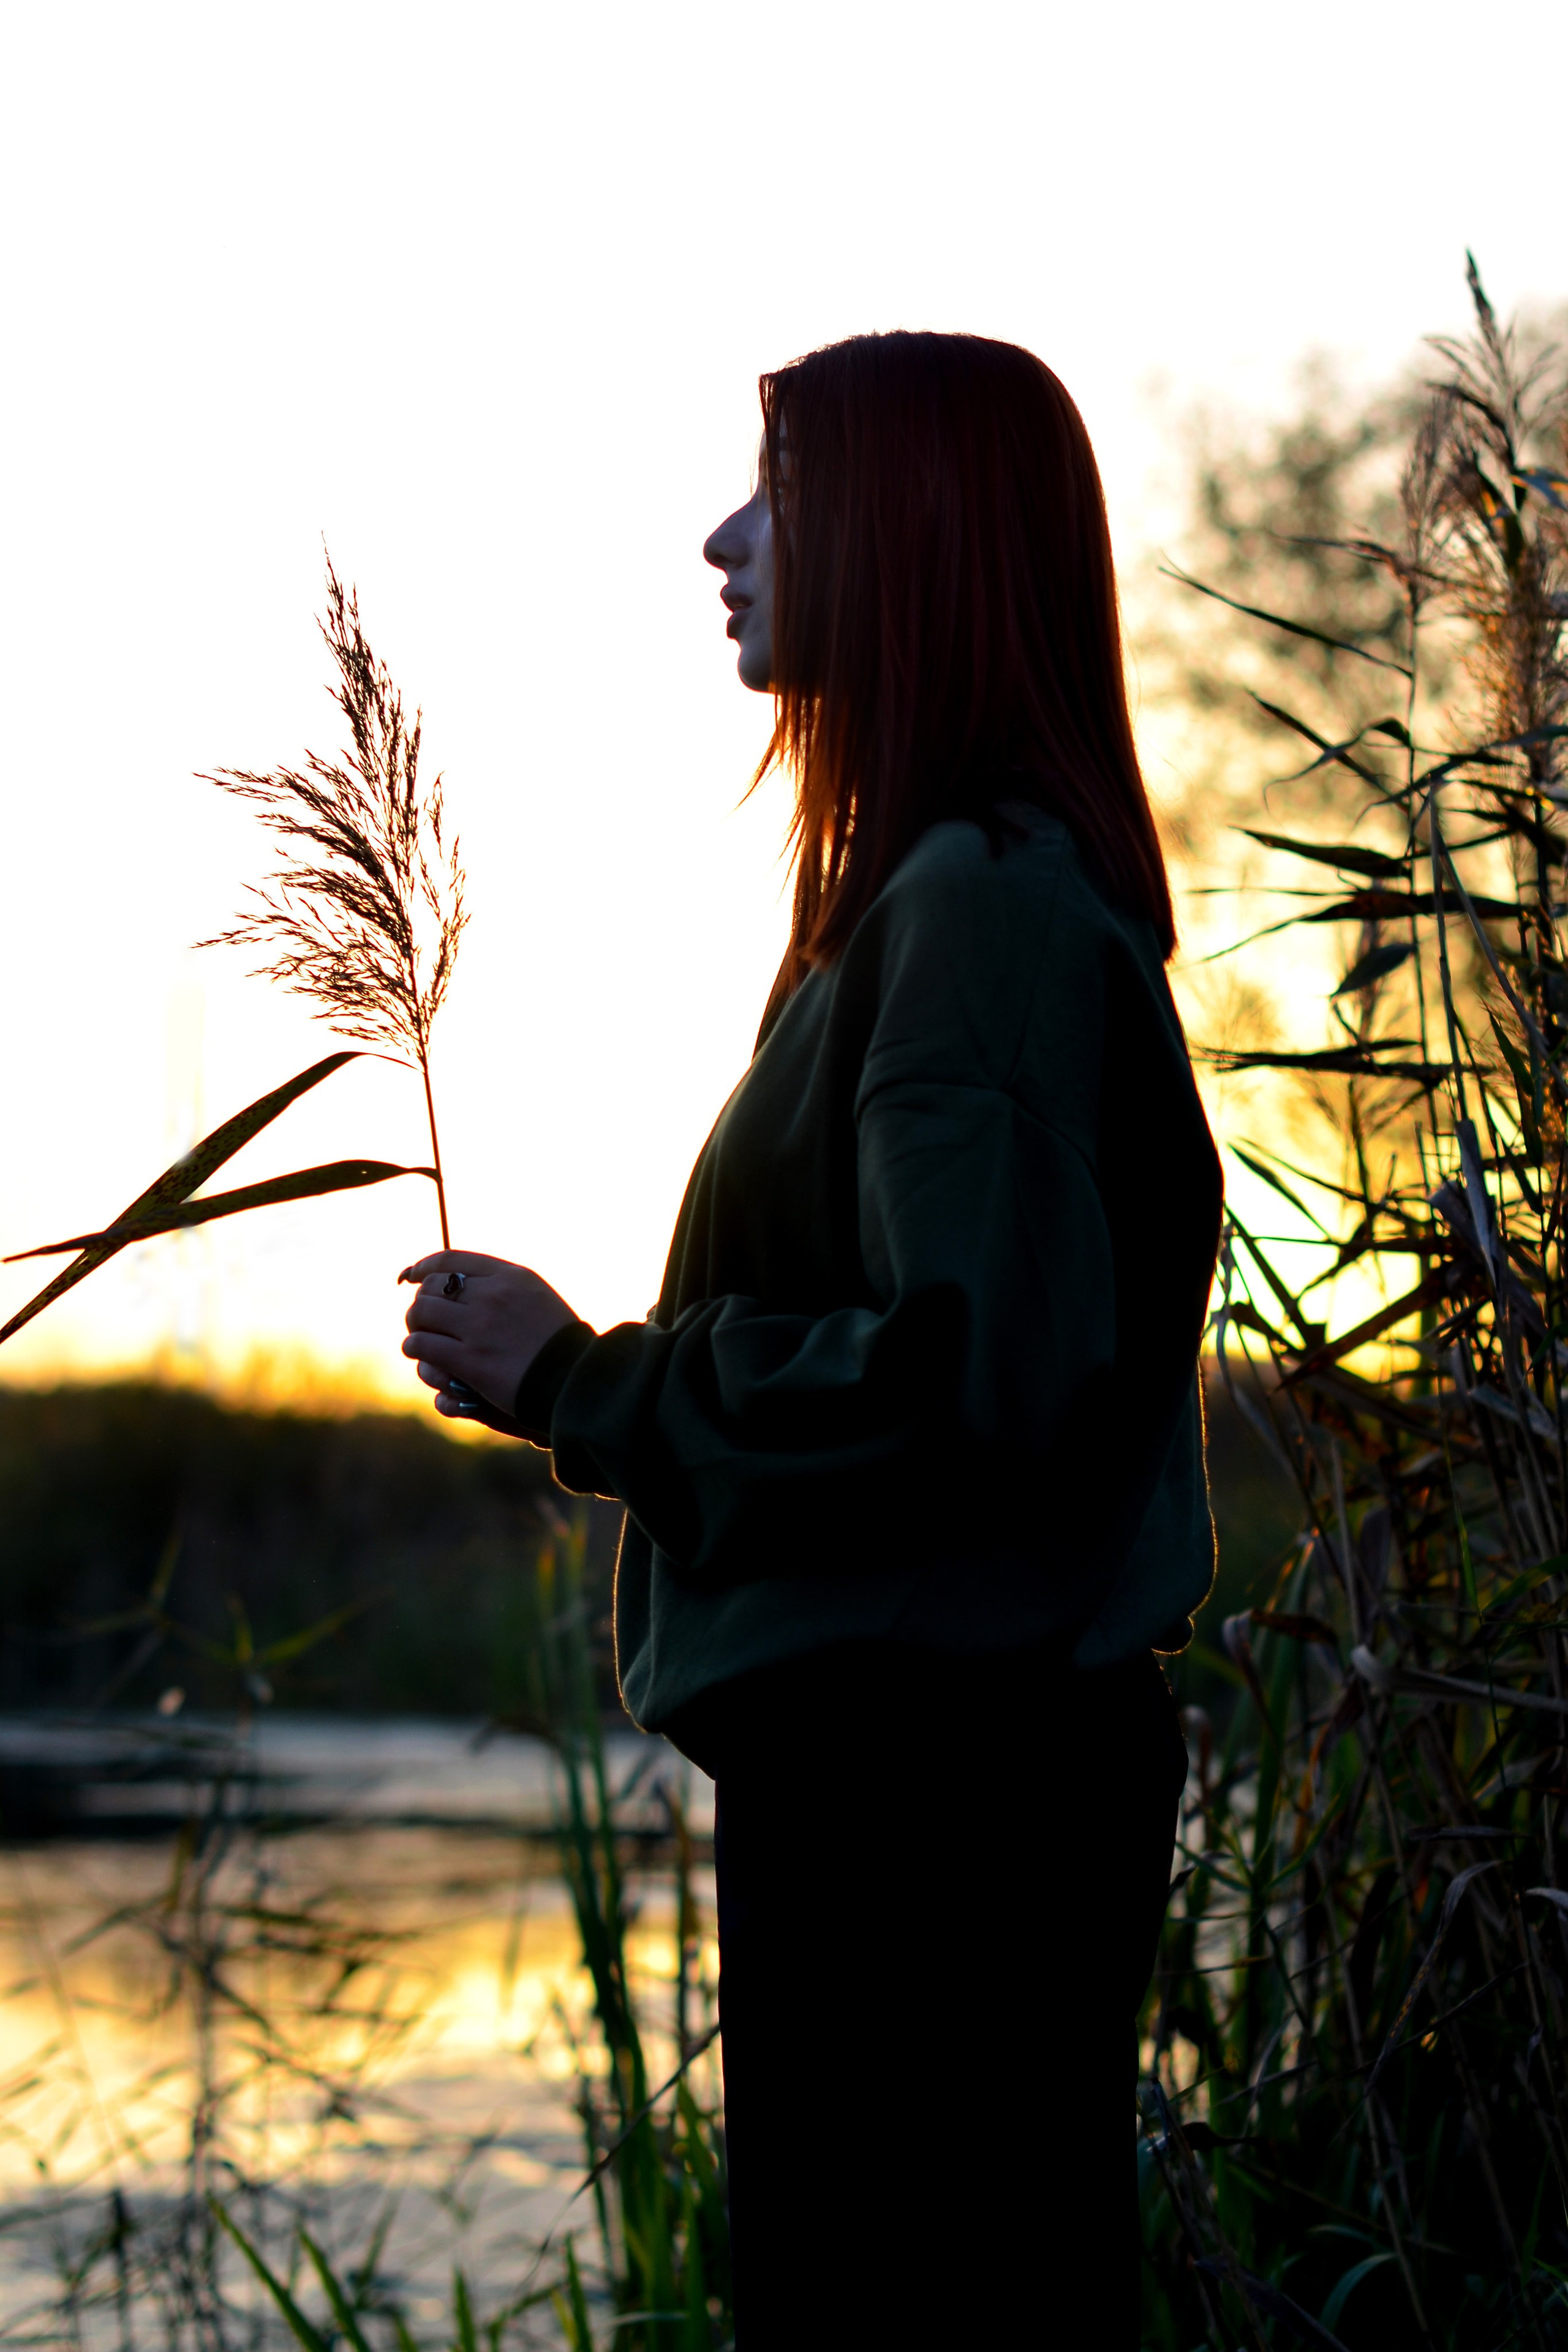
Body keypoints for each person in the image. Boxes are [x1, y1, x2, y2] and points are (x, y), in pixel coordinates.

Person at [399, 331, 1222, 2348]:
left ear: (920, 536)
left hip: (931, 1818)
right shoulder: (944, 902)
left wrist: (581, 1382)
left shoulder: (982, 913)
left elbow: (970, 1385)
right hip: (933, 1796)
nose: (727, 537)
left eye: (783, 484)